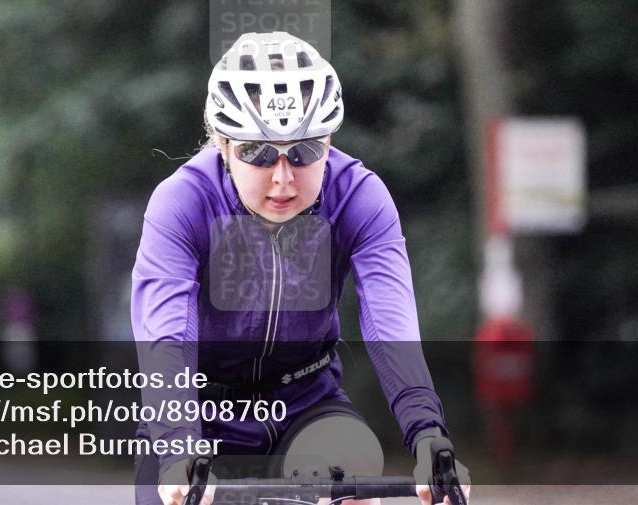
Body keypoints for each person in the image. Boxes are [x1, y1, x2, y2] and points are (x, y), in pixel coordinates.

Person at [131, 31, 471, 505]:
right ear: (224, 146)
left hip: (306, 402)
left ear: (330, 140)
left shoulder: (358, 195)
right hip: (199, 411)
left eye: (306, 151)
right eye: (259, 153)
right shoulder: (183, 201)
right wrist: (177, 447)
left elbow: (392, 321)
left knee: (353, 465)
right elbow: (167, 339)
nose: (284, 177)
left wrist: (427, 433)